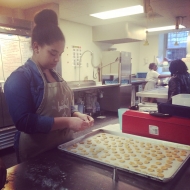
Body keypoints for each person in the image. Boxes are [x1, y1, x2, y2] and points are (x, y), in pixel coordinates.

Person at [4, 9, 94, 163]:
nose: (57, 59)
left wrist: (75, 114)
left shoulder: (56, 75)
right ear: (36, 47)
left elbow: (60, 106)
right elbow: (24, 122)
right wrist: (67, 122)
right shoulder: (20, 78)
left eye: (60, 53)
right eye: (53, 53)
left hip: (64, 148)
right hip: (37, 155)